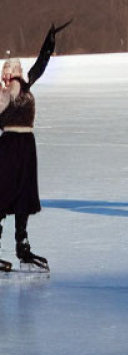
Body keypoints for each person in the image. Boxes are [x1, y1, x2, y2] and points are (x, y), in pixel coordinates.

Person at [0, 20, 71, 271]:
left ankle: (23, 247)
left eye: (12, 71)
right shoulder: (1, 94)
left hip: (27, 146)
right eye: (6, 72)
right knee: (2, 194)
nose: (8, 75)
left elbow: (40, 65)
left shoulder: (26, 84)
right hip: (7, 146)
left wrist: (49, 43)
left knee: (23, 197)